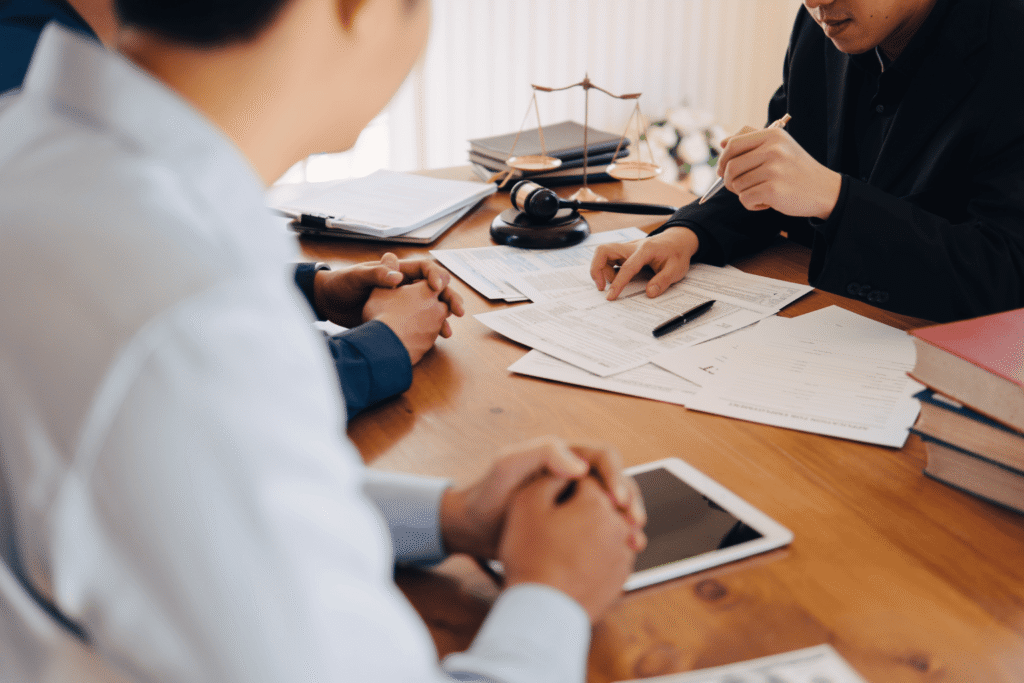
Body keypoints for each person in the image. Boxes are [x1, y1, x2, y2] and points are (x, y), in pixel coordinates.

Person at [0, 1, 648, 682]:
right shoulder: (186, 318)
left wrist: (448, 514)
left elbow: (181, 503)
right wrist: (554, 595)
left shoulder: (33, 152)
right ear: (357, 9)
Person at [0, 0, 463, 418]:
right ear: (362, 9)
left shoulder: (49, 142)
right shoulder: (188, 286)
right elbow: (231, 398)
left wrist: (311, 288)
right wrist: (385, 344)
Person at [591, 0, 1024, 323]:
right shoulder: (830, 19)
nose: (815, 0)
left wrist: (834, 198)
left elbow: (1005, 274)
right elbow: (779, 166)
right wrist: (689, 233)